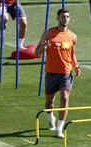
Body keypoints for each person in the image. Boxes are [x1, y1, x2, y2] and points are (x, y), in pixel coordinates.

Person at [35, 8, 81, 138]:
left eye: (67, 17)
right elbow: (36, 52)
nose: (65, 19)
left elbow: (72, 54)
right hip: (51, 72)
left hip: (66, 72)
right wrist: (43, 48)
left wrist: (76, 66)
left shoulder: (72, 36)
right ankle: (50, 117)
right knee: (49, 101)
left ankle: (60, 129)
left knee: (65, 97)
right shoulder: (48, 33)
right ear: (57, 18)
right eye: (62, 17)